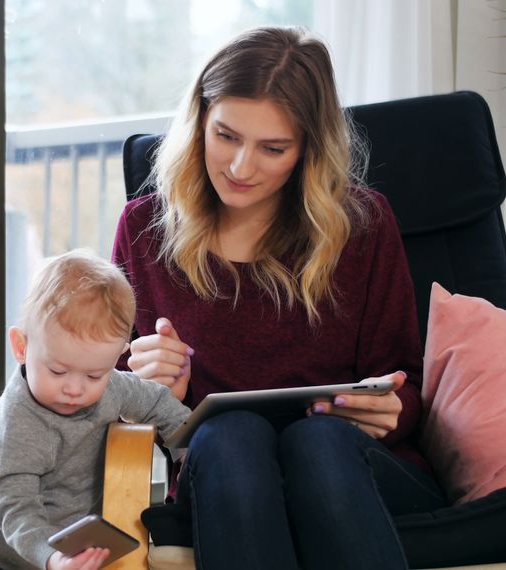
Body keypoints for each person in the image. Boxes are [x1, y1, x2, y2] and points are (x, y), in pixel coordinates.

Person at [112, 26, 446, 569]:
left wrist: (391, 409)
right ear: (198, 120)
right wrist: (153, 388)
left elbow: (404, 380)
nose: (241, 168)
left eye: (272, 149)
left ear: (308, 151)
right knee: (232, 435)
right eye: (225, 136)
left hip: (355, 472)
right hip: (223, 476)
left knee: (316, 443)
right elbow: (113, 402)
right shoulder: (146, 229)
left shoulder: (361, 227)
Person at [0, 249, 192, 570]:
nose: (75, 388)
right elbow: (18, 513)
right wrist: (52, 558)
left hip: (55, 547)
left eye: (94, 375)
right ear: (22, 347)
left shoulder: (111, 386)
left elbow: (156, 402)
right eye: (58, 371)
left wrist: (190, 451)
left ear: (116, 359)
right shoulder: (14, 427)